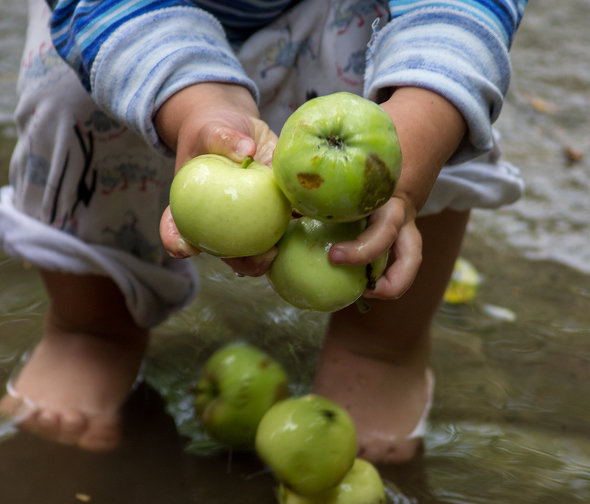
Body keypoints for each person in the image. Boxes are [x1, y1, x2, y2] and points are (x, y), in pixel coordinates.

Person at [0, 0, 526, 460]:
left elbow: (462, 13)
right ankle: (92, 327)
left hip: (358, 22)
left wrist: (407, 159)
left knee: (435, 119)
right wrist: (197, 102)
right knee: (72, 95)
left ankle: (381, 348)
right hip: (139, 26)